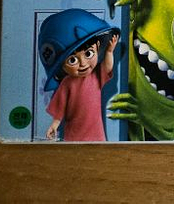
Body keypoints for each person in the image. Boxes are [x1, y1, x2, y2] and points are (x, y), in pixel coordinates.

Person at [38, 9, 120, 142]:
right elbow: (60, 107)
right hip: (74, 133)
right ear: (61, 65)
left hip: (96, 132)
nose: (83, 64)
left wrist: (109, 52)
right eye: (72, 60)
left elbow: (107, 67)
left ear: (98, 46)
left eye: (88, 53)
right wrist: (55, 124)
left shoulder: (96, 77)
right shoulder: (66, 83)